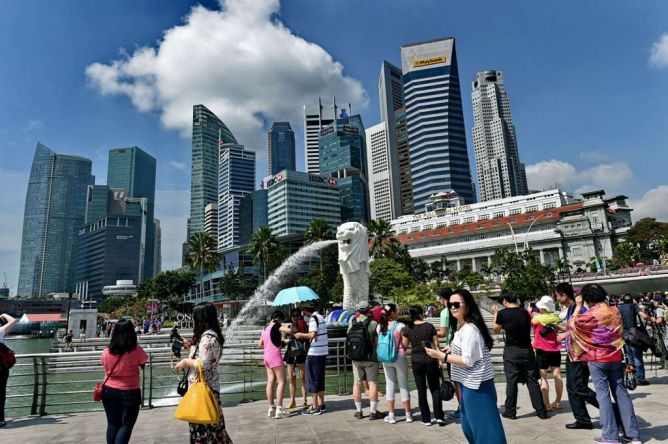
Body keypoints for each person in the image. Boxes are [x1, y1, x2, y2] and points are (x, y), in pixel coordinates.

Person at [426, 289, 506, 444]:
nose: (452, 307)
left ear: (467, 305)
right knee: (470, 427)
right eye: (450, 304)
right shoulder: (462, 327)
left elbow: (468, 360)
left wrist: (441, 356)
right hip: (468, 384)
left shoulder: (470, 329)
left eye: (456, 304)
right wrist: (451, 349)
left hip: (477, 385)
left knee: (485, 430)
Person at [569, 284, 641, 444]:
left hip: (597, 358)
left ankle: (610, 436)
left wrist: (578, 306)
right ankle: (633, 434)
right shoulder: (615, 310)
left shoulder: (590, 314)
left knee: (603, 396)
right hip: (615, 356)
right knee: (622, 394)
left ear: (587, 298)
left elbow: (572, 325)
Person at [173, 302, 232, 443]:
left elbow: (204, 364)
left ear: (201, 318)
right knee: (215, 430)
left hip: (204, 390)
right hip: (209, 388)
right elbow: (206, 358)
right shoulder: (209, 336)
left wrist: (185, 362)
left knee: (204, 431)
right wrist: (189, 346)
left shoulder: (208, 338)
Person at [492, 293, 547, 419]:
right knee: (532, 380)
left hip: (512, 350)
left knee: (511, 381)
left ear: (505, 301)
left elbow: (495, 329)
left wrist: (495, 313)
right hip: (527, 350)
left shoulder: (503, 313)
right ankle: (541, 410)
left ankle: (510, 411)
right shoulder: (524, 313)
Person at [554, 282, 599, 429]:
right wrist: (559, 328)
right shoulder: (571, 309)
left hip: (579, 354)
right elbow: (572, 326)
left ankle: (610, 408)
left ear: (564, 295)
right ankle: (582, 419)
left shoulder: (579, 309)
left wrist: (563, 335)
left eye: (557, 296)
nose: (556, 299)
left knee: (579, 387)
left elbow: (582, 329)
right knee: (573, 388)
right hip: (572, 353)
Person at [100, 319, 148, 444]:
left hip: (109, 390)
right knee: (126, 425)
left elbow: (105, 367)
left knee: (112, 424)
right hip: (130, 391)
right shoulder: (136, 350)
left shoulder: (106, 351)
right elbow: (143, 361)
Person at [401, 305, 444, 426]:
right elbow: (436, 344)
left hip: (416, 361)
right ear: (420, 313)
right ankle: (439, 416)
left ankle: (426, 419)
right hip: (431, 359)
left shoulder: (407, 328)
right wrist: (440, 359)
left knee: (421, 390)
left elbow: (404, 346)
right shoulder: (429, 326)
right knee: (435, 388)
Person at [347, 302, 384, 420]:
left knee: (357, 384)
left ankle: (358, 411)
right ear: (369, 311)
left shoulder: (352, 322)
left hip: (356, 357)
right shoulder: (373, 323)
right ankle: (373, 412)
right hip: (370, 358)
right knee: (372, 382)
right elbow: (377, 342)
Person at [377, 303, 412, 424]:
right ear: (392, 313)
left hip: (385, 358)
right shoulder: (400, 326)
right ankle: (408, 415)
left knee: (389, 385)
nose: (398, 312)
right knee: (403, 385)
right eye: (396, 310)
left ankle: (391, 416)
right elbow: (405, 344)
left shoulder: (380, 326)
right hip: (399, 357)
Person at [531, 295, 563, 410]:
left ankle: (547, 404)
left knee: (543, 377)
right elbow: (560, 327)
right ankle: (558, 402)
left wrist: (531, 312)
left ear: (542, 308)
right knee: (557, 375)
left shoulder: (538, 319)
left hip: (541, 350)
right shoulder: (555, 318)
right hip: (555, 349)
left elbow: (531, 321)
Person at [294, 304, 328, 415]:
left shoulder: (313, 319)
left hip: (315, 353)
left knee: (312, 379)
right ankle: (322, 404)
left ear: (305, 310)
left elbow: (312, 335)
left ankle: (314, 407)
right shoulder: (321, 317)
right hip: (323, 352)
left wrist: (301, 335)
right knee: (320, 379)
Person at [436, 288, 461, 419]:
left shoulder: (446, 311)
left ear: (443, 299)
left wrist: (430, 331)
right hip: (461, 346)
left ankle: (461, 408)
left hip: (452, 348)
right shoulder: (461, 309)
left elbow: (443, 332)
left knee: (456, 380)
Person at [259, 310, 288, 419]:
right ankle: (279, 408)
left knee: (271, 381)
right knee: (281, 381)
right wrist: (294, 330)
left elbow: (260, 344)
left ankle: (271, 407)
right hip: (275, 356)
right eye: (282, 321)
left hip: (266, 356)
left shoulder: (265, 327)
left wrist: (278, 343)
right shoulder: (276, 325)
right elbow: (287, 330)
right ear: (278, 319)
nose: (282, 323)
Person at [618, 294, 652, 385]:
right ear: (631, 300)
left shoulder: (619, 308)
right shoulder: (634, 306)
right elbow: (644, 316)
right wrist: (651, 319)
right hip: (634, 335)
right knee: (637, 357)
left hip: (624, 335)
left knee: (629, 358)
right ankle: (640, 378)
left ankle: (632, 379)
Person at [281, 309, 308, 409]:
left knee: (301, 378)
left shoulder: (303, 326)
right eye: (294, 316)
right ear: (291, 317)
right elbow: (283, 341)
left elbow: (306, 338)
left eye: (297, 316)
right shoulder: (289, 327)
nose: (296, 317)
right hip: (292, 354)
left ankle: (304, 400)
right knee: (292, 378)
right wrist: (285, 340)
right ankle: (293, 401)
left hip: (298, 353)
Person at [0, 313, 17, 428]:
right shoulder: (0, 331)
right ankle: (0, 420)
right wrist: (4, 315)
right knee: (1, 394)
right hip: (1, 368)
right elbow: (13, 320)